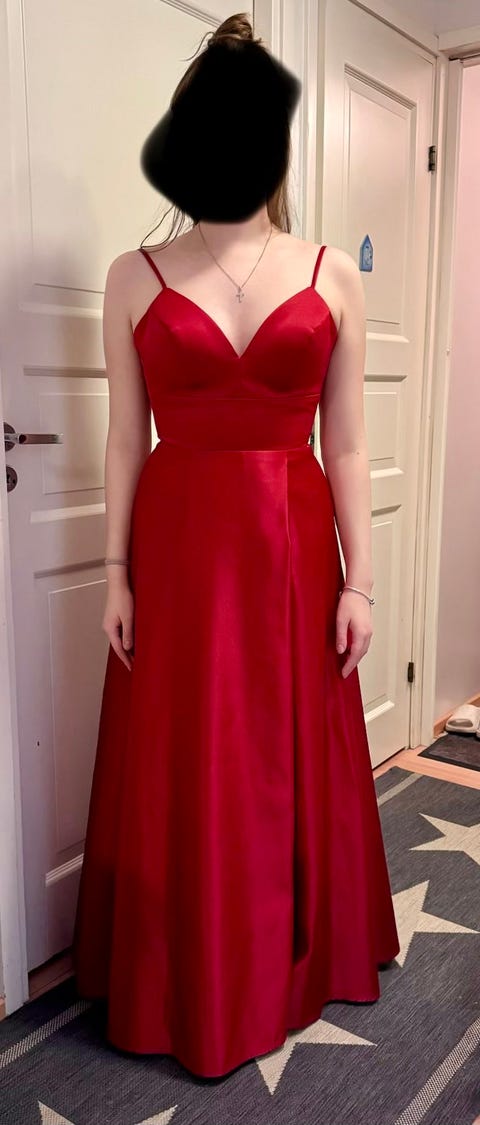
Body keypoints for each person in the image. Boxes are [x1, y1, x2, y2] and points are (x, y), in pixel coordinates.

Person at [72, 11, 400, 1079]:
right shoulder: (134, 274)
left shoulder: (332, 273)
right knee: (186, 756)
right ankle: (182, 978)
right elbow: (123, 437)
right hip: (177, 551)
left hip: (293, 547)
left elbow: (348, 444)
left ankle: (286, 965)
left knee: (282, 755)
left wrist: (360, 582)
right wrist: (113, 572)